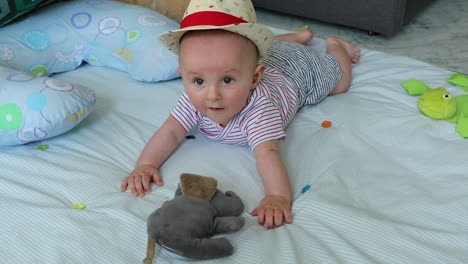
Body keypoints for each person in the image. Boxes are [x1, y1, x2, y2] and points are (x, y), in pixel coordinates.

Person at [121, 0, 360, 229]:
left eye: (227, 80)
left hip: (295, 71)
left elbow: (267, 153)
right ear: (182, 75)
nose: (212, 95)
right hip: (267, 56)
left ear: (255, 78)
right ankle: (298, 37)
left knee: (339, 85)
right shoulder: (192, 100)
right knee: (260, 52)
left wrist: (277, 197)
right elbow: (171, 130)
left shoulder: (258, 110)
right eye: (198, 81)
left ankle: (335, 47)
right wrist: (145, 164)